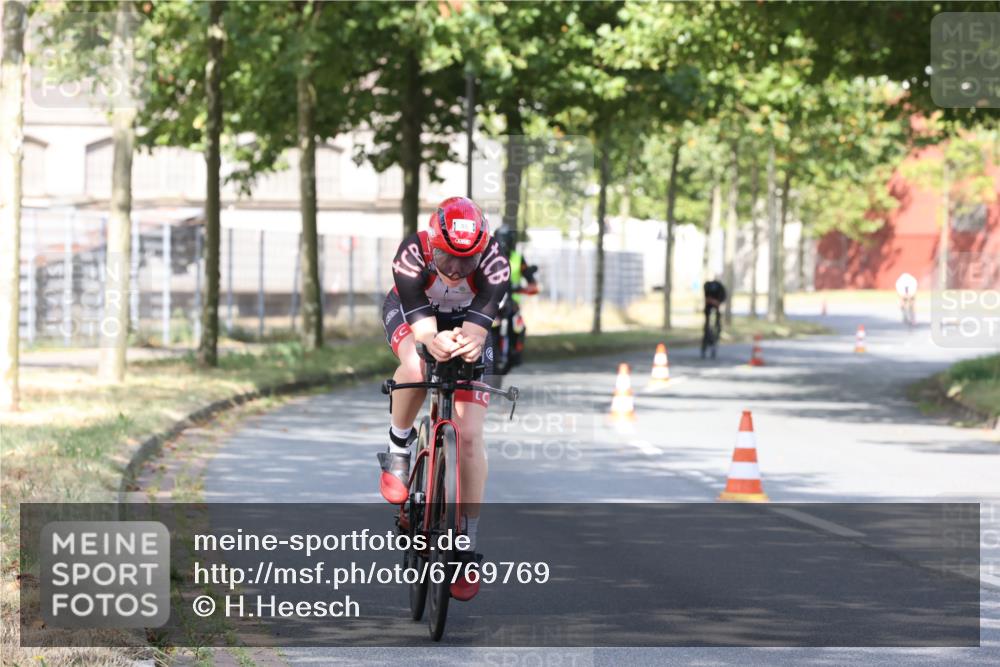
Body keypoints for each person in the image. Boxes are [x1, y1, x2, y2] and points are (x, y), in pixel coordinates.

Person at [378, 196, 510, 601]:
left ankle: (466, 545)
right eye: (446, 256)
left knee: (469, 436)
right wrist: (431, 342)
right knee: (418, 369)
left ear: (481, 252)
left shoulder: (495, 264)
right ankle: (399, 447)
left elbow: (476, 332)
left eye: (465, 261)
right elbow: (424, 334)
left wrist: (469, 344)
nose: (454, 269)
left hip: (466, 323)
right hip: (414, 316)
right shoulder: (412, 252)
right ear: (432, 243)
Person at [495, 227, 539, 370]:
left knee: (519, 327)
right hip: (492, 301)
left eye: (506, 240)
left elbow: (531, 281)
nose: (504, 243)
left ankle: (516, 354)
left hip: (512, 302)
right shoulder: (489, 257)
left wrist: (527, 288)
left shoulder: (518, 258)